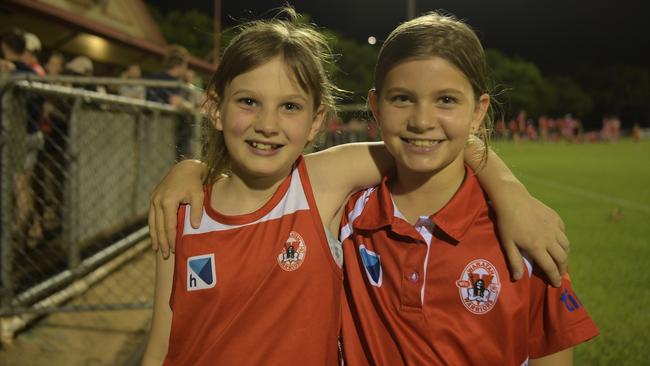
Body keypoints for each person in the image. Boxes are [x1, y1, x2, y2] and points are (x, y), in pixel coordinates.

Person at [144, 9, 570, 365]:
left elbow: (436, 144)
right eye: (248, 102)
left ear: (316, 121)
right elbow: (161, 344)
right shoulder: (182, 211)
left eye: (289, 106)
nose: (267, 124)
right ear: (215, 108)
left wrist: (509, 190)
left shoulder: (320, 183)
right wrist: (193, 169)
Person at [338, 13, 598, 365]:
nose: (422, 120)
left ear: (478, 111)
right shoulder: (342, 216)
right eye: (401, 98)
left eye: (446, 100)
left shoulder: (525, 234)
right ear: (375, 107)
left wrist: (507, 190)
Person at [146, 45, 195, 159]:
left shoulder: (182, 84)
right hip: (158, 130)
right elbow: (153, 100)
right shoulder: (156, 78)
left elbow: (188, 104)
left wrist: (184, 104)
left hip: (179, 135)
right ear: (181, 64)